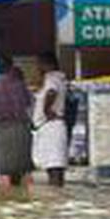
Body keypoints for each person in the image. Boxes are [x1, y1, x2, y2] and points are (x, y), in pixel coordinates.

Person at [0, 55, 34, 195]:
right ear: (11, 66)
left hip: (2, 130)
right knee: (24, 169)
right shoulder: (21, 86)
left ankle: (7, 199)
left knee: (4, 171)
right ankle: (26, 199)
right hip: (21, 128)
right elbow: (29, 104)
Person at [32, 52, 69, 187]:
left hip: (51, 126)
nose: (37, 67)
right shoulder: (59, 78)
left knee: (54, 167)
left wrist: (47, 110)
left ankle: (55, 196)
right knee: (55, 167)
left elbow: (51, 92)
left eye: (39, 64)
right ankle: (57, 195)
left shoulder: (52, 78)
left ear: (46, 64)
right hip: (53, 127)